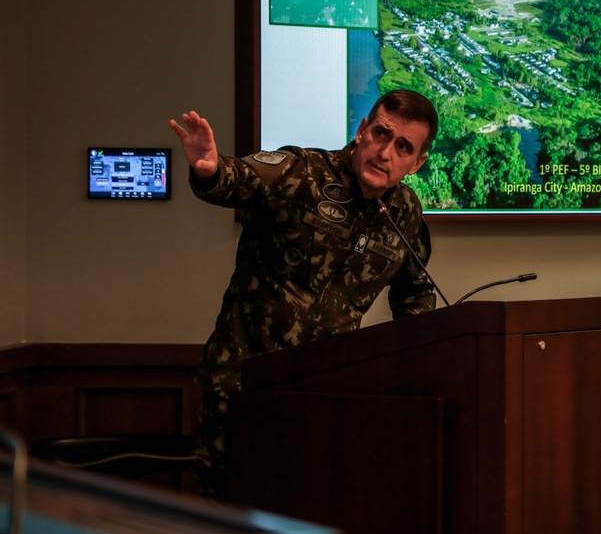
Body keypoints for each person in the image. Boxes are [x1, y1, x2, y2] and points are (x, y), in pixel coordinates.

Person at [169, 89, 439, 501]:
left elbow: (416, 296)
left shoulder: (404, 213)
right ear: (362, 131)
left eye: (403, 146)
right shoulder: (302, 171)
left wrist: (419, 367)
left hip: (325, 399)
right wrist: (210, 170)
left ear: (416, 163)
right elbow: (238, 180)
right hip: (242, 389)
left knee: (309, 509)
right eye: (381, 134)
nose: (385, 153)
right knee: (226, 511)